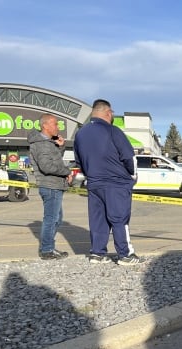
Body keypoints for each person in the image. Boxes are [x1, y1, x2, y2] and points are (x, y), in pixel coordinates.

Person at [74, 99, 142, 265]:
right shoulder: (113, 131)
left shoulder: (80, 134)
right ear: (108, 112)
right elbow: (129, 157)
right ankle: (125, 254)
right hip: (116, 183)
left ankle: (98, 253)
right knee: (119, 218)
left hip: (94, 183)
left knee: (98, 219)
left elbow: (79, 161)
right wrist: (132, 176)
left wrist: (90, 175)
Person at [28, 114, 74, 260]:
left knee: (57, 218)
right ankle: (47, 250)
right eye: (55, 124)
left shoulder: (47, 143)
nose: (58, 127)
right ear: (45, 126)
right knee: (51, 219)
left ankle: (49, 248)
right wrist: (67, 171)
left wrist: (60, 147)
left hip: (54, 185)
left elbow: (53, 160)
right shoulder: (42, 144)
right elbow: (47, 167)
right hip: (50, 186)